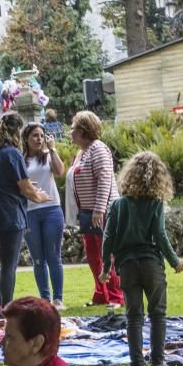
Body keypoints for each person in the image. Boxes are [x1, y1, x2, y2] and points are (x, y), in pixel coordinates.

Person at [100, 151, 183, 366]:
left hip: (127, 266)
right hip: (151, 265)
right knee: (158, 314)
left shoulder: (117, 205)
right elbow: (160, 236)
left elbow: (108, 237)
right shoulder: (155, 204)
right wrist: (174, 261)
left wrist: (106, 266)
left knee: (133, 317)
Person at [0, 112, 52, 323]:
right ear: (16, 131)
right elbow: (25, 187)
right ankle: (5, 311)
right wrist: (40, 196)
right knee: (10, 265)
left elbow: (0, 181)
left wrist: (27, 188)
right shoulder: (12, 153)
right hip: (9, 214)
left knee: (5, 262)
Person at [68, 110, 124, 309]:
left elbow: (105, 180)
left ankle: (117, 296)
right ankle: (101, 293)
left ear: (83, 131)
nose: (70, 131)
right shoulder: (82, 152)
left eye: (73, 128)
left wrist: (99, 210)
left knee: (108, 253)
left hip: (103, 211)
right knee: (93, 255)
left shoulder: (98, 149)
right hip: (87, 212)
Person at [21, 122, 67, 310]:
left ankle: (58, 298)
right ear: (26, 139)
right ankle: (45, 299)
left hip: (51, 209)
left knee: (54, 255)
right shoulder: (20, 159)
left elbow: (59, 171)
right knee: (38, 258)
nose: (39, 139)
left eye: (41, 136)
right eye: (34, 136)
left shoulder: (47, 156)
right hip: (30, 211)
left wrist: (53, 150)